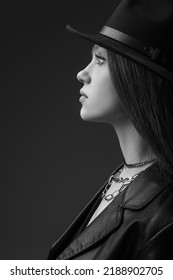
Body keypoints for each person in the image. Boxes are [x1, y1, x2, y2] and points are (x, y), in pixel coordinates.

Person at [48, 0, 173, 259]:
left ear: (137, 77)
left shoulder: (165, 213)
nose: (83, 73)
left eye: (100, 59)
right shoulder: (123, 179)